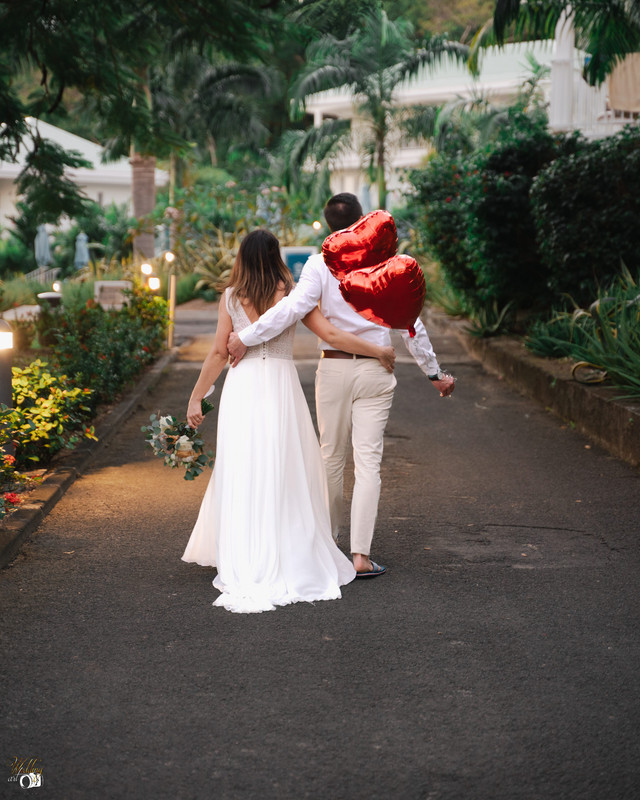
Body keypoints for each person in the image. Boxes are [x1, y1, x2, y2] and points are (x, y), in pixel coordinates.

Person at [227, 193, 455, 578]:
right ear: (363, 221)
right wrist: (434, 374)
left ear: (329, 225)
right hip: (375, 371)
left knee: (330, 458)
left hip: (332, 369)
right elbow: (409, 324)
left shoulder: (318, 265)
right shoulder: (385, 263)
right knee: (368, 463)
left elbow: (291, 310)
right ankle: (361, 556)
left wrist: (246, 337)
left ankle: (328, 547)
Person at [182, 228, 396, 614]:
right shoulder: (290, 293)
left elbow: (218, 352)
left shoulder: (231, 296)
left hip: (243, 387)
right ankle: (286, 545)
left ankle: (247, 548)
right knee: (283, 467)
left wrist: (197, 396)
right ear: (276, 256)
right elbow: (330, 333)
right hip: (280, 386)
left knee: (244, 467)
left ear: (243, 258)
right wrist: (376, 350)